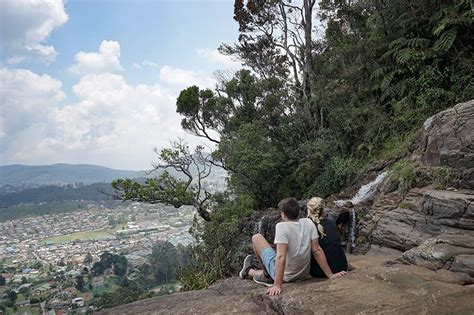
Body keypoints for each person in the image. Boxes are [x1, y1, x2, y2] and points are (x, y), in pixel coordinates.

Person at [239, 197, 347, 296]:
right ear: (298, 212)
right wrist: (330, 275)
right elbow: (317, 250)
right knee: (277, 253)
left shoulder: (281, 226)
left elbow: (281, 257)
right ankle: (250, 271)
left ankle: (265, 275)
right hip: (304, 274)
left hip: (286, 276)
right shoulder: (309, 223)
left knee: (256, 238)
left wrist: (277, 285)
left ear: (284, 214)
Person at [306, 197, 348, 278]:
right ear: (323, 210)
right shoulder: (331, 223)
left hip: (320, 271)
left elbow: (316, 250)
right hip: (342, 267)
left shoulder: (309, 225)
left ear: (309, 210)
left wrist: (330, 275)